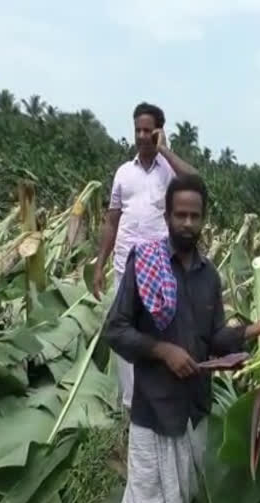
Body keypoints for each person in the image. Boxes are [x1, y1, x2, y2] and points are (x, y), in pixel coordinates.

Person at [101, 174, 260, 503]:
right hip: (154, 409)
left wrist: (257, 328)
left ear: (203, 220)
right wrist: (163, 351)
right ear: (167, 216)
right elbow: (116, 329)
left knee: (182, 500)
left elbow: (214, 339)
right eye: (180, 215)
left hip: (193, 410)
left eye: (194, 216)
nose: (187, 223)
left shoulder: (209, 275)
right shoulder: (144, 262)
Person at [93, 102, 198, 409]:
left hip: (159, 270)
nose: (141, 136)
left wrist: (164, 150)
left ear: (158, 132)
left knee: (159, 336)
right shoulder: (123, 173)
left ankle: (159, 398)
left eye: (147, 130)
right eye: (137, 130)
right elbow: (112, 220)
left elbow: (195, 181)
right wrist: (99, 264)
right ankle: (130, 404)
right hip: (125, 265)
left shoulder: (170, 172)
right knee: (125, 334)